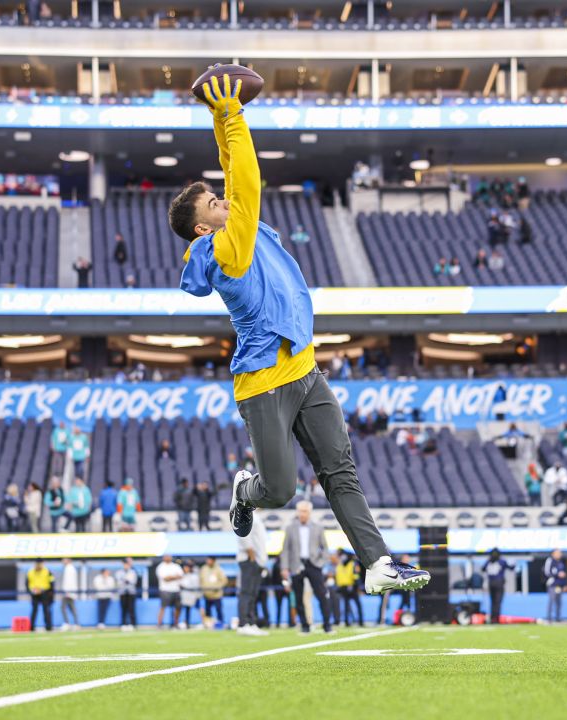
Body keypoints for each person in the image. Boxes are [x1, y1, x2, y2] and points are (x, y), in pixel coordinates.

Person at [170, 72, 428, 596]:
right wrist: (234, 116)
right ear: (203, 228)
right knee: (281, 490)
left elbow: (230, 173)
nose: (223, 201)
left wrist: (219, 117)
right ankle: (246, 490)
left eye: (220, 199)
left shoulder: (231, 229)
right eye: (213, 205)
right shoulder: (223, 249)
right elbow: (246, 182)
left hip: (305, 369)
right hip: (263, 382)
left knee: (341, 470)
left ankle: (378, 564)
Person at [281, 500, 333, 634]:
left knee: (321, 594)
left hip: (314, 564)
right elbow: (286, 549)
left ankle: (327, 625)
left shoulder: (318, 527)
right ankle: (305, 626)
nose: (302, 514)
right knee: (298, 597)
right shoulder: (290, 527)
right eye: (300, 511)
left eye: (305, 511)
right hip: (297, 565)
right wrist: (284, 568)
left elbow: (325, 549)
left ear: (310, 512)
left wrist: (321, 563)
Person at [235, 508, 270, 635]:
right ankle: (243, 623)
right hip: (249, 560)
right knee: (246, 592)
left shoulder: (256, 516)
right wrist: (252, 557)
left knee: (253, 593)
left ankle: (251, 622)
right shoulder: (245, 513)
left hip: (257, 561)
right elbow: (244, 536)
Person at [483, 549, 515, 624]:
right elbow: (511, 567)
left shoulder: (489, 561)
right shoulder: (501, 561)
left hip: (491, 583)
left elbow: (483, 568)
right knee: (498, 602)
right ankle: (496, 619)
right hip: (499, 583)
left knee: (493, 602)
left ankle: (492, 618)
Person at [334, 551, 362, 628]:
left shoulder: (350, 564)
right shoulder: (346, 564)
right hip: (346, 587)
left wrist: (356, 585)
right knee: (348, 605)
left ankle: (359, 621)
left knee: (353, 604)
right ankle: (348, 621)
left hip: (351, 586)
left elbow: (355, 575)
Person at [155, 554, 184, 629]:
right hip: (165, 590)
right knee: (163, 607)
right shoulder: (161, 567)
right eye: (166, 556)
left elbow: (181, 575)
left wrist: (170, 577)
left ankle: (176, 623)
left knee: (178, 607)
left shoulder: (175, 566)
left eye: (169, 556)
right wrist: (175, 577)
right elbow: (165, 578)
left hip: (176, 589)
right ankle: (159, 624)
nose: (168, 558)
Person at [200, 557, 228, 628]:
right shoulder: (204, 569)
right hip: (207, 594)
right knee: (208, 611)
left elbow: (224, 580)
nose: (208, 562)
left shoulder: (219, 569)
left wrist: (218, 587)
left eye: (210, 560)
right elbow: (201, 580)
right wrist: (203, 588)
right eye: (207, 560)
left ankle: (221, 623)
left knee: (218, 609)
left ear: (213, 561)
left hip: (216, 594)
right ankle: (209, 625)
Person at [27, 559, 54, 632]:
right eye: (37, 564)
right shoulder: (30, 572)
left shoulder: (47, 571)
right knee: (34, 610)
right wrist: (31, 591)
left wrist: (50, 593)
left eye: (40, 563)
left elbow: (52, 583)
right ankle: (31, 627)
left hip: (45, 593)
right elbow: (27, 583)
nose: (38, 565)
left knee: (46, 610)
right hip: (34, 594)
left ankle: (48, 627)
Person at [544, 549, 567, 623]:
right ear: (553, 554)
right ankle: (549, 618)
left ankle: (558, 618)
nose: (559, 554)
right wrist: (557, 574)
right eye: (558, 553)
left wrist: (565, 584)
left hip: (560, 585)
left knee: (559, 602)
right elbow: (547, 572)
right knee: (551, 601)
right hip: (552, 584)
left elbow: (564, 574)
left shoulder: (561, 562)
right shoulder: (550, 560)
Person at [116, 558, 140, 631]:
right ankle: (123, 624)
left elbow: (133, 581)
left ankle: (133, 624)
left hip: (131, 592)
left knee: (131, 608)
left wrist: (126, 580)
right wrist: (126, 581)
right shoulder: (119, 572)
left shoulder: (132, 572)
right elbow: (119, 582)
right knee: (123, 609)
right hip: (122, 592)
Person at [179, 561, 203, 629]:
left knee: (199, 608)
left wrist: (184, 586)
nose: (185, 569)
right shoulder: (184, 575)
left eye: (186, 567)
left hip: (194, 596)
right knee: (187, 610)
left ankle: (204, 622)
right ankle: (187, 623)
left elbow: (194, 586)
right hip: (186, 596)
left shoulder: (194, 576)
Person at [58, 558, 80, 630]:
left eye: (64, 560)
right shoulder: (70, 568)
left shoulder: (69, 569)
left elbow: (69, 581)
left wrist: (67, 592)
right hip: (70, 592)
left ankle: (67, 623)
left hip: (68, 592)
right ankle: (76, 623)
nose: (63, 561)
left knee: (63, 607)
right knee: (72, 608)